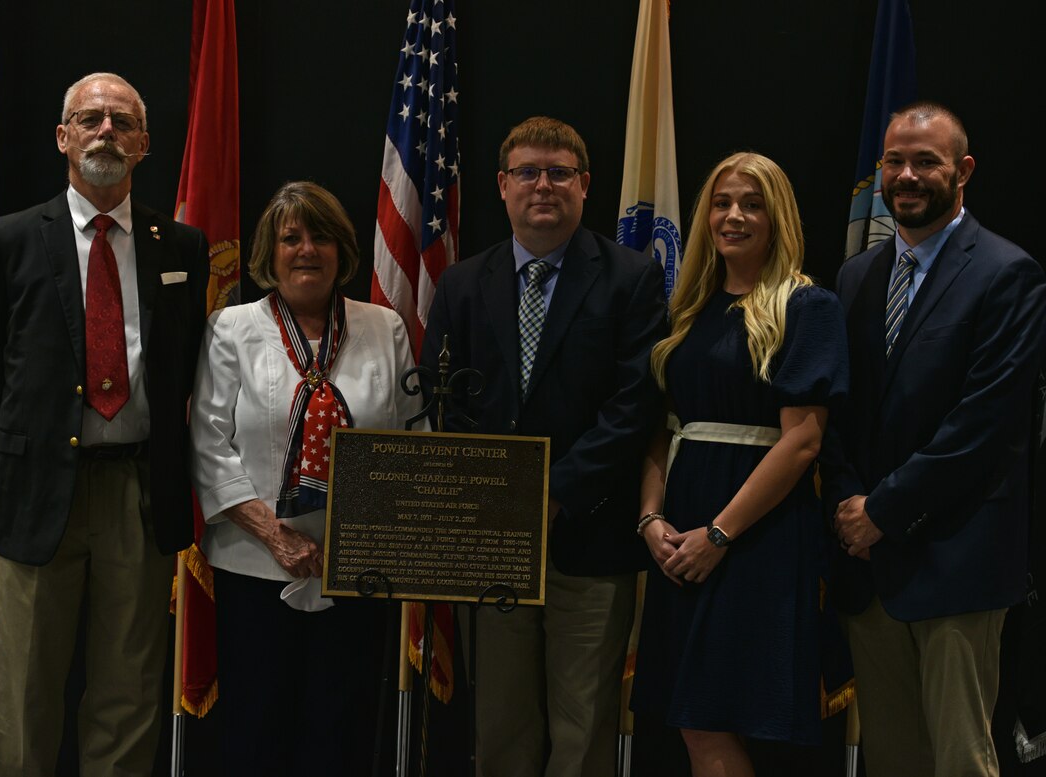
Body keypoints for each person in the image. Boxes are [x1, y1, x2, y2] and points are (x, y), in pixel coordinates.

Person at [0, 73, 209, 776]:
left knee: (129, 691)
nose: (107, 131)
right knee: (27, 688)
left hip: (138, 491)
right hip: (40, 494)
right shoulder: (7, 242)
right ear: (63, 138)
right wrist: (36, 444)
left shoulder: (182, 247)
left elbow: (186, 366)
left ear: (145, 145)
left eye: (122, 121)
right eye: (90, 119)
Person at [420, 116, 667, 777]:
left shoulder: (632, 278)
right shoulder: (462, 284)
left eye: (560, 173)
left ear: (585, 185)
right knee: (500, 722)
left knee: (583, 725)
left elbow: (633, 405)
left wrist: (553, 493)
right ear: (502, 186)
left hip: (589, 535)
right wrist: (501, 500)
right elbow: (442, 404)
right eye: (528, 172)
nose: (543, 186)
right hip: (489, 539)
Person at [822, 101, 1046, 776]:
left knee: (960, 759)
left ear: (963, 170)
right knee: (894, 759)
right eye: (895, 160)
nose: (908, 175)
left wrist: (882, 512)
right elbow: (836, 413)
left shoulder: (1009, 274)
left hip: (958, 564)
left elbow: (984, 426)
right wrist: (846, 503)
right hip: (870, 571)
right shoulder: (856, 277)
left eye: (927, 161)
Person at [189, 181, 423, 775]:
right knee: (257, 726)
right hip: (254, 566)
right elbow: (208, 443)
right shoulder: (231, 328)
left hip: (356, 571)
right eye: (291, 238)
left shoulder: (384, 328)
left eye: (320, 237)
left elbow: (408, 444)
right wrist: (276, 536)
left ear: (342, 250)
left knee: (340, 728)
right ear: (269, 253)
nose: (307, 249)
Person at [630, 152, 849, 775]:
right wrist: (650, 519)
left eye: (752, 204)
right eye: (723, 203)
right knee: (692, 718)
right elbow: (662, 428)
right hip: (679, 535)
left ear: (777, 217)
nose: (734, 216)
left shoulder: (808, 308)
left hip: (756, 536)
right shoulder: (686, 310)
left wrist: (722, 533)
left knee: (713, 715)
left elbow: (803, 441)